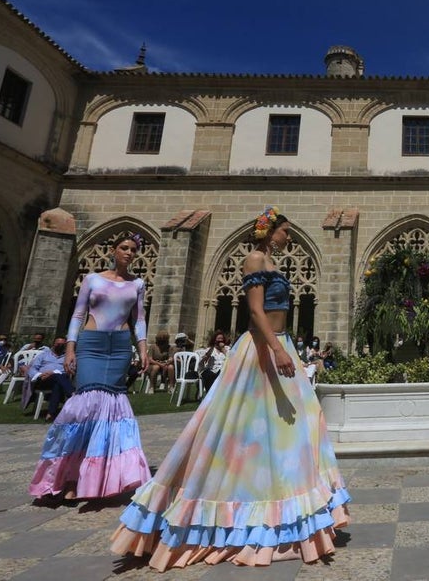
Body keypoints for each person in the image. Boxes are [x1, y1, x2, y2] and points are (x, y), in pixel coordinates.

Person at [112, 206, 349, 568]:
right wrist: (276, 349)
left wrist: (285, 348)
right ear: (270, 231)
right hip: (261, 349)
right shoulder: (254, 259)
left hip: (280, 344)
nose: (289, 236)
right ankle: (236, 507)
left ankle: (291, 505)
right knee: (244, 429)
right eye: (285, 230)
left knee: (295, 427)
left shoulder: (271, 262)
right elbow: (254, 311)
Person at [29, 233, 152, 500]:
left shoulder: (137, 283)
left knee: (111, 410)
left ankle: (97, 479)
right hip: (92, 344)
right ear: (113, 250)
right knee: (84, 408)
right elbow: (77, 314)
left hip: (119, 346)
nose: (129, 253)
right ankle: (70, 477)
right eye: (124, 248)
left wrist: (143, 349)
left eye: (133, 249)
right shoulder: (92, 279)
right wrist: (70, 348)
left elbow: (139, 319)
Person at [28, 337, 73, 421]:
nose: (60, 346)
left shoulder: (67, 357)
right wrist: (40, 375)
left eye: (62, 344)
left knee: (57, 383)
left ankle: (50, 414)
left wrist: (53, 373)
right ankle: (72, 394)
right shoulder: (43, 355)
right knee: (58, 378)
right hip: (43, 380)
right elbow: (32, 368)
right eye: (58, 344)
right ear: (53, 344)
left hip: (58, 380)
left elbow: (69, 369)